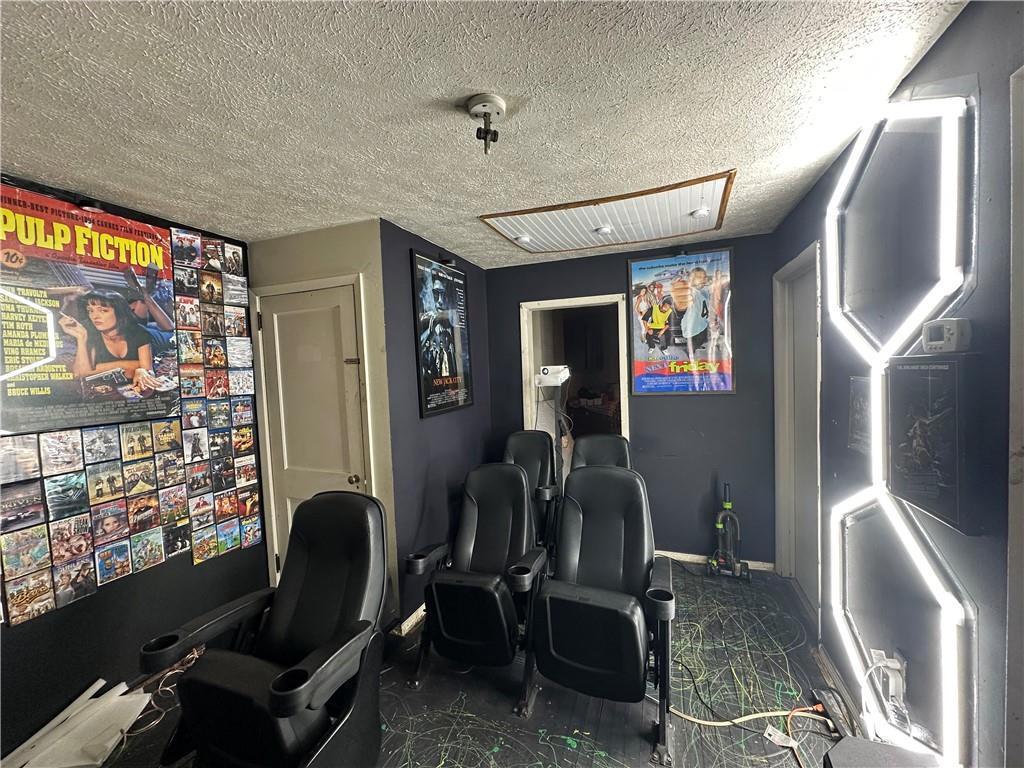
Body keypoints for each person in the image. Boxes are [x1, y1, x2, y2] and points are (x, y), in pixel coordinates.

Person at [58, 290, 159, 391]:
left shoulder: (140, 333)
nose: (95, 316)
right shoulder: (89, 332)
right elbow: (80, 374)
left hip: (160, 338)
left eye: (103, 310)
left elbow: (147, 372)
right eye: (90, 310)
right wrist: (81, 338)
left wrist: (140, 370)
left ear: (119, 312)